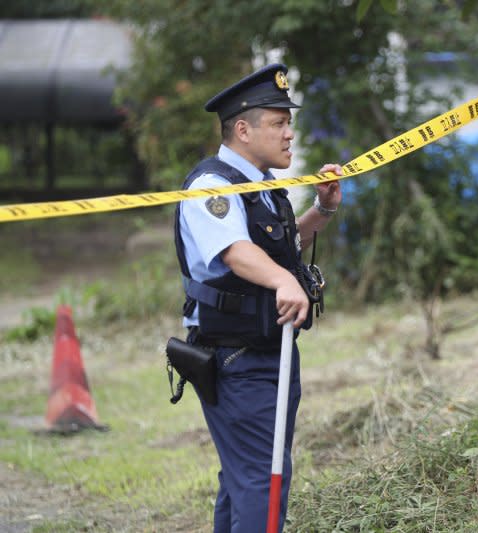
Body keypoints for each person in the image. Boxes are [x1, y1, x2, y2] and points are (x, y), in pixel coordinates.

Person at [174, 63, 342, 533]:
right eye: (279, 123)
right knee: (261, 483)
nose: (290, 134)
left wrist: (321, 210)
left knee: (246, 479)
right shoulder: (214, 186)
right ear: (243, 129)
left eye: (290, 122)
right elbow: (235, 252)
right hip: (236, 360)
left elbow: (279, 252)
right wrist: (283, 283)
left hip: (269, 352)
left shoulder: (263, 188)